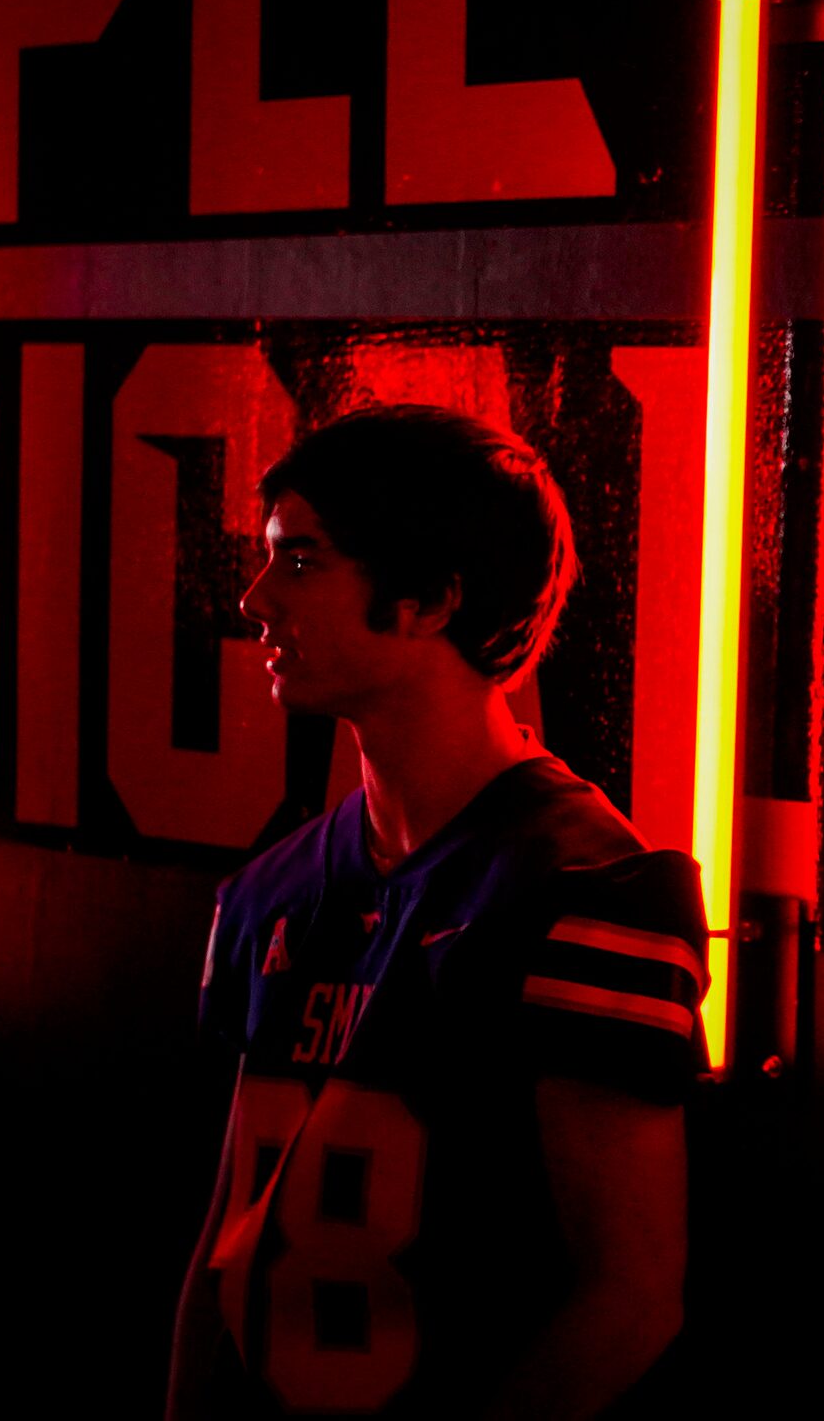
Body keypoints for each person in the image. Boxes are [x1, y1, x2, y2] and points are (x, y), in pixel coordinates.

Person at [168, 405, 705, 1419]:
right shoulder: (271, 892)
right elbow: (229, 1243)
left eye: (302, 562)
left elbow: (629, 1298)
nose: (254, 599)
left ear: (426, 599)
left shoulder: (586, 895)